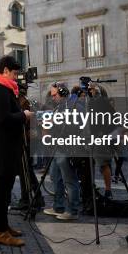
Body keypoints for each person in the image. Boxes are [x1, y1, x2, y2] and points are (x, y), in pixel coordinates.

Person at [0, 55, 32, 247]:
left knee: (5, 191)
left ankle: (4, 227)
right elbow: (4, 118)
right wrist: (24, 115)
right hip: (1, 148)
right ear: (5, 70)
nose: (16, 77)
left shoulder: (4, 89)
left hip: (6, 147)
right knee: (1, 190)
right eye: (14, 73)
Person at [43, 82, 81, 220]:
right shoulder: (60, 106)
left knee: (70, 180)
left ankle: (73, 210)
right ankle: (58, 206)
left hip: (67, 148)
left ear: (63, 92)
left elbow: (78, 126)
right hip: (57, 147)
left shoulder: (75, 105)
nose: (53, 98)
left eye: (55, 95)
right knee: (55, 176)